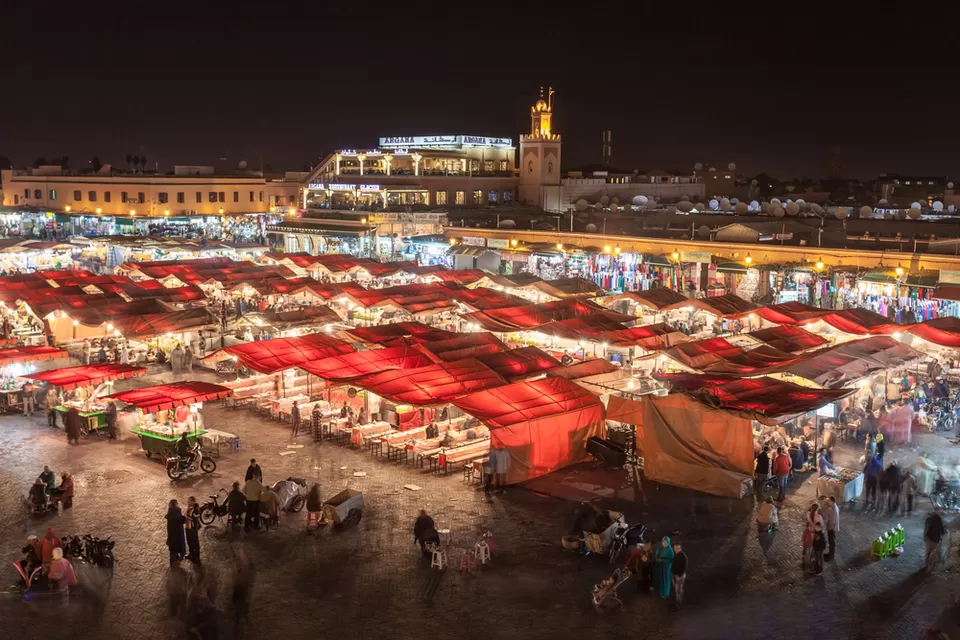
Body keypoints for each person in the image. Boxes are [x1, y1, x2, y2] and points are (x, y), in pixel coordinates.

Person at [924, 507, 946, 573]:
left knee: (928, 551)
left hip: (929, 537)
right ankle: (929, 567)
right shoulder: (938, 520)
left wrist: (925, 535)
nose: (940, 512)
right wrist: (944, 532)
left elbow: (926, 527)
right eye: (939, 511)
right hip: (934, 539)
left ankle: (927, 564)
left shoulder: (930, 518)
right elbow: (941, 530)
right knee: (933, 553)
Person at [166, 499, 186, 566]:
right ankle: (176, 558)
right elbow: (181, 520)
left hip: (171, 533)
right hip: (177, 533)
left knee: (173, 548)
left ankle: (174, 559)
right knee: (177, 546)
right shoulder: (177, 512)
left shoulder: (170, 512)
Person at [185, 497, 201, 564]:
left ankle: (196, 558)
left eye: (189, 501)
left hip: (192, 529)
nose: (188, 502)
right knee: (190, 542)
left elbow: (194, 518)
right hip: (188, 527)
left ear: (192, 501)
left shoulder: (195, 509)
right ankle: (191, 554)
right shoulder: (190, 508)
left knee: (194, 543)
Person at [671, 542, 687, 608]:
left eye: (678, 548)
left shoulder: (683, 557)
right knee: (676, 589)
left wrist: (679, 575)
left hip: (679, 576)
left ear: (680, 548)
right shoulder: (675, 555)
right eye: (675, 548)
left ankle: (678, 605)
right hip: (674, 575)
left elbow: (684, 567)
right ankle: (677, 603)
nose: (676, 550)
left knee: (678, 591)